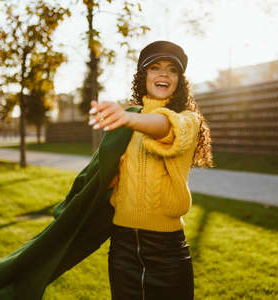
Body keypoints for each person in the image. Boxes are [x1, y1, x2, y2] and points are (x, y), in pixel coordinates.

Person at [88, 40, 213, 300]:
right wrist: (111, 176)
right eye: (155, 67)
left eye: (172, 69)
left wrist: (129, 118)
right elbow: (107, 184)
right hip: (122, 248)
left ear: (180, 79)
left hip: (166, 251)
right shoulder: (126, 122)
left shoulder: (188, 121)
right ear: (143, 75)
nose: (164, 74)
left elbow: (166, 126)